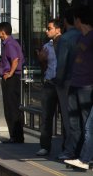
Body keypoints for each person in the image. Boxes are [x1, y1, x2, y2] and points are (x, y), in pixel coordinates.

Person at [60, 4, 93, 163]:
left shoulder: (92, 37)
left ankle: (86, 156)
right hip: (76, 82)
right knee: (74, 121)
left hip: (87, 86)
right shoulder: (81, 37)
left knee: (86, 122)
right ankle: (75, 152)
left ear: (79, 20)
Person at [55, 8, 81, 160]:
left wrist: (58, 81)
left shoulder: (65, 39)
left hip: (68, 81)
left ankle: (71, 150)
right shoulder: (84, 36)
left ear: (65, 21)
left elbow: (62, 64)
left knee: (69, 118)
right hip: (84, 81)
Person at [36, 19, 62, 156]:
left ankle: (67, 147)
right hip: (49, 84)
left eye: (49, 28)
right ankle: (45, 146)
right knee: (46, 116)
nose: (47, 31)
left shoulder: (64, 44)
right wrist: (41, 59)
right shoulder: (46, 46)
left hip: (62, 85)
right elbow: (43, 66)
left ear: (58, 29)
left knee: (65, 117)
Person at [0, 22, 25, 144]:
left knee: (11, 108)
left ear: (3, 32)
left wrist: (10, 73)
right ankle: (15, 136)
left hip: (11, 79)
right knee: (13, 107)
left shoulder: (9, 44)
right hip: (13, 78)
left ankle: (15, 136)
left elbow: (15, 59)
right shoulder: (11, 43)